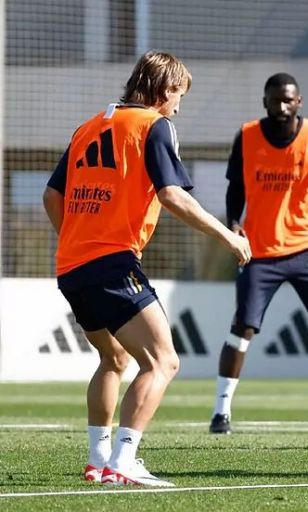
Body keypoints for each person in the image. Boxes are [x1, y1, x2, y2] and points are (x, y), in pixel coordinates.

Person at [42, 51, 251, 487]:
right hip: (112, 263)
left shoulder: (89, 127)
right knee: (163, 361)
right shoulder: (154, 125)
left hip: (71, 265)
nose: (179, 105)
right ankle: (123, 460)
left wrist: (79, 237)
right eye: (178, 94)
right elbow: (172, 195)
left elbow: (51, 197)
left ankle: (98, 459)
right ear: (162, 91)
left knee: (113, 358)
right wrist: (228, 237)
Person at [208, 72, 308, 435]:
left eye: (288, 100)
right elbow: (235, 190)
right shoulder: (247, 136)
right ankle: (221, 414)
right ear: (264, 101)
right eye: (275, 100)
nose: (282, 106)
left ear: (299, 102)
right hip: (259, 251)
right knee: (242, 329)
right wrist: (234, 224)